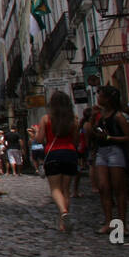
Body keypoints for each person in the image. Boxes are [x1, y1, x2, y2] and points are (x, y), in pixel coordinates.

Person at [87, 85, 129, 236]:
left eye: (100, 95)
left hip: (115, 151)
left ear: (107, 99)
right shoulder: (100, 116)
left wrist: (110, 137)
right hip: (102, 152)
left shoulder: (118, 116)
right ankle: (108, 223)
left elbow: (128, 138)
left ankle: (122, 224)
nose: (98, 98)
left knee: (119, 188)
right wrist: (93, 119)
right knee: (103, 187)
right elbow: (90, 133)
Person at [37, 91, 80, 231]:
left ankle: (63, 212)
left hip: (53, 154)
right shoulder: (74, 119)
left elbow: (39, 140)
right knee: (66, 190)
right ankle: (63, 223)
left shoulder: (46, 119)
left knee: (55, 189)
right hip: (70, 154)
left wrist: (33, 134)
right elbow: (75, 140)